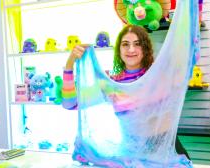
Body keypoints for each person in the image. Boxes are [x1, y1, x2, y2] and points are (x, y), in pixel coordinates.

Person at [62, 24, 190, 159]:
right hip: (133, 155)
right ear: (119, 49)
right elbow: (70, 104)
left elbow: (187, 53)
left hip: (168, 151)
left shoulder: (159, 75)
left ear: (145, 48)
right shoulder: (111, 84)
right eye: (125, 44)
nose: (131, 49)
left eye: (137, 44)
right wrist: (70, 64)